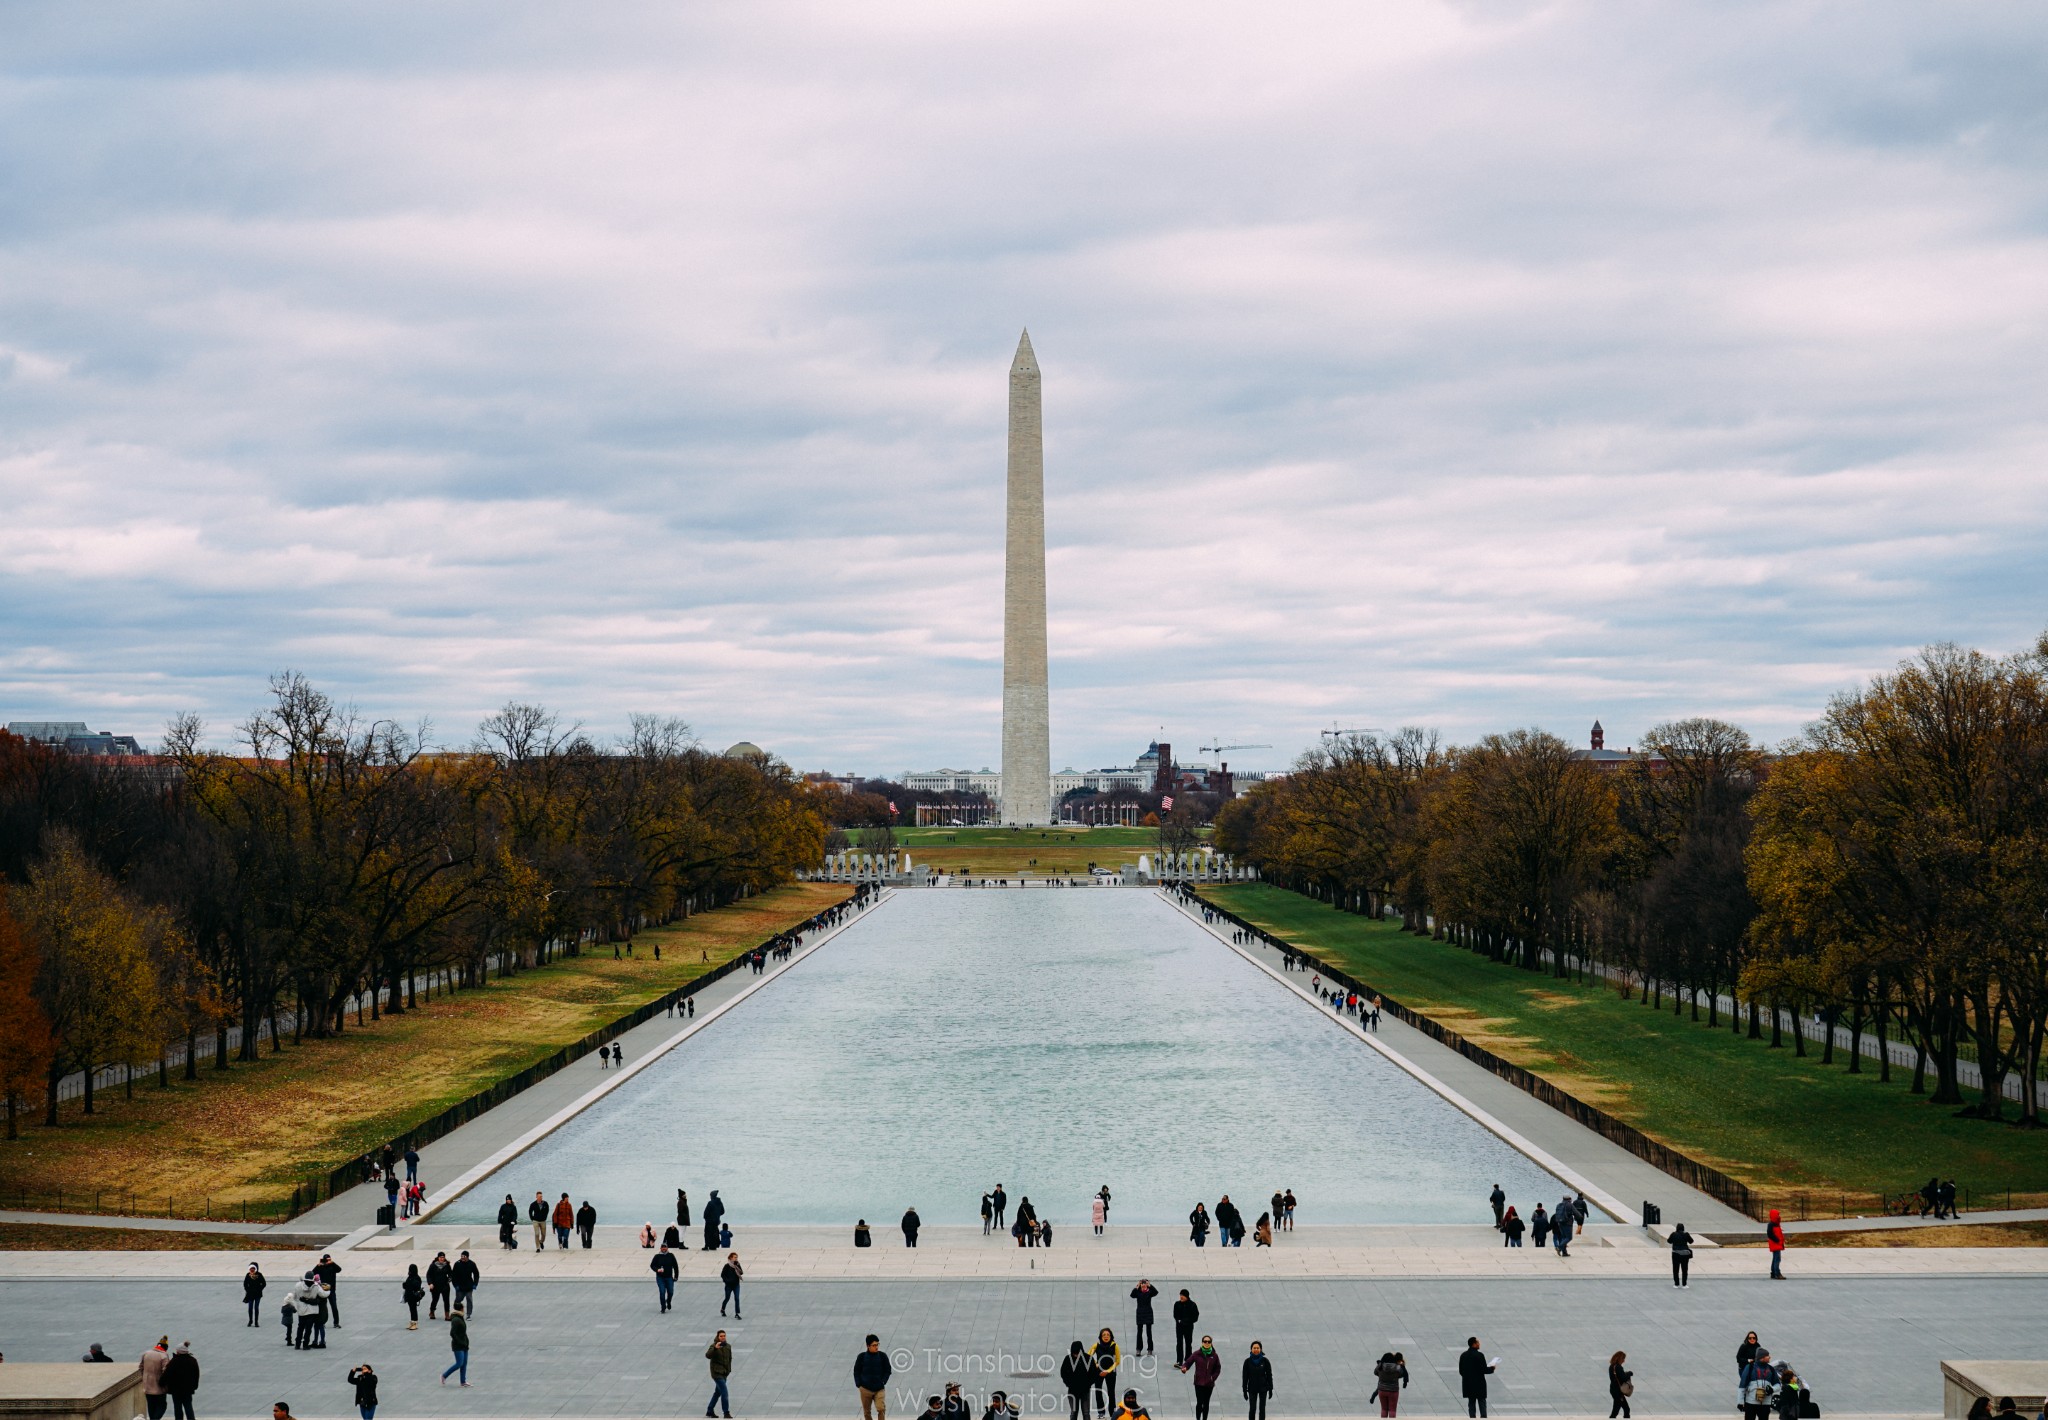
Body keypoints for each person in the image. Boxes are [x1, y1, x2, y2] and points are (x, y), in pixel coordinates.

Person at [1179, 1336, 1221, 1420]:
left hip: (1209, 1383)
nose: (1207, 1343)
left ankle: (1204, 1418)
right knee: (1199, 1402)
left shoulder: (1214, 1356)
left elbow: (1218, 1368)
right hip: (1199, 1383)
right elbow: (1188, 1363)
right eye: (1205, 1341)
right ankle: (1198, 1418)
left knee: (1206, 1403)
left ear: (1211, 1343)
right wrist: (1184, 1368)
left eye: (1209, 1342)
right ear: (1202, 1342)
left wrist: (1213, 1378)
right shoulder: (1197, 1354)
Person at [856, 1334, 893, 1420]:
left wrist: (883, 1381)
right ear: (868, 1346)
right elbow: (856, 1371)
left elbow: (888, 1370)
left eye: (877, 1344)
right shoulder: (861, 1357)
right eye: (874, 1345)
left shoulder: (882, 1356)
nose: (876, 1347)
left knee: (881, 1408)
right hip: (865, 1389)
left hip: (879, 1388)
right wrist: (859, 1384)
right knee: (867, 1411)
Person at [1061, 1341, 1100, 1420]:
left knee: (1086, 1413)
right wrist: (1069, 1384)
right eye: (1074, 1353)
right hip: (1072, 1390)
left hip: (1085, 1391)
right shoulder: (1068, 1359)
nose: (1076, 1355)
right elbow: (1063, 1373)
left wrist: (1088, 1384)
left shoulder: (1088, 1358)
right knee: (1074, 1412)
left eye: (1077, 1353)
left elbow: (1094, 1373)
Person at [1458, 1338, 1494, 1419]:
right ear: (1474, 1344)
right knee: (1482, 1402)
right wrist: (1492, 1368)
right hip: (1479, 1383)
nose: (1479, 1344)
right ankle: (1483, 1417)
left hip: (1468, 1384)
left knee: (1471, 1402)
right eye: (1478, 1342)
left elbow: (1461, 1371)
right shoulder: (1479, 1355)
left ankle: (1472, 1417)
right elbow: (1484, 1370)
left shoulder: (1463, 1355)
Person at [163, 1343, 199, 1420]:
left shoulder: (174, 1361)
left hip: (175, 1390)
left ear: (178, 1351)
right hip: (188, 1389)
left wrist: (161, 1383)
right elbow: (196, 1375)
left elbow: (167, 1374)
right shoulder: (193, 1360)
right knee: (188, 1406)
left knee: (177, 1407)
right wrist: (195, 1386)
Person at [1093, 1329, 1123, 1418]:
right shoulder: (1096, 1345)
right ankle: (1101, 1412)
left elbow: (1117, 1361)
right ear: (1101, 1337)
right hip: (1098, 1372)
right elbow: (1088, 1356)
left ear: (1111, 1336)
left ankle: (1112, 1413)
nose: (1106, 1336)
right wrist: (1095, 1363)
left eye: (1108, 1335)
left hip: (1111, 1372)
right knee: (1098, 1391)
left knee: (1111, 1392)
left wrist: (1108, 1371)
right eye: (1104, 1335)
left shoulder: (1115, 1346)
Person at [704, 1330, 733, 1418]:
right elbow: (708, 1355)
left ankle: (710, 1410)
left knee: (718, 1392)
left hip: (724, 1373)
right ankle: (726, 1412)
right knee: (724, 1392)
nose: (723, 1337)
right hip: (716, 1373)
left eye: (724, 1336)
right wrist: (716, 1348)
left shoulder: (728, 1346)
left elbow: (729, 1359)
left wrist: (728, 1370)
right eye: (721, 1336)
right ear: (717, 1337)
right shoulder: (713, 1346)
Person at [1242, 1341, 1274, 1420]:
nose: (1256, 1349)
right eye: (1254, 1348)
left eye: (1258, 1348)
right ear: (1251, 1349)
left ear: (1261, 1349)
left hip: (1263, 1388)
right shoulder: (1247, 1362)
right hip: (1252, 1388)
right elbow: (1245, 1377)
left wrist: (1270, 1389)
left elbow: (1269, 1375)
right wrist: (1244, 1391)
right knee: (1252, 1409)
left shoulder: (1265, 1361)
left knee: (1262, 1409)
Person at [1374, 1352, 1409, 1418]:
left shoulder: (1380, 1366)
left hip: (1382, 1390)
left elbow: (1375, 1372)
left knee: (1384, 1409)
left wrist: (1381, 1375)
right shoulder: (1397, 1367)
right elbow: (1402, 1374)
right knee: (1392, 1410)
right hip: (1393, 1390)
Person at [440, 1309, 469, 1387]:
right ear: (461, 1309)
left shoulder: (460, 1317)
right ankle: (444, 1375)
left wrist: (466, 1342)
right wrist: (459, 1341)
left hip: (464, 1344)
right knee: (459, 1363)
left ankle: (463, 1381)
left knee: (464, 1363)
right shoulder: (456, 1320)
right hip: (458, 1345)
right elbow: (452, 1333)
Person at [1129, 1280, 1159, 1355]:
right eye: (1142, 1284)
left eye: (1145, 1284)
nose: (1143, 1286)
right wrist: (1136, 1287)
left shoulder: (1149, 1292)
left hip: (1148, 1313)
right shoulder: (1138, 1292)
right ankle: (1138, 1349)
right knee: (1139, 1332)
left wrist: (1150, 1285)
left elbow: (1156, 1292)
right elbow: (1132, 1295)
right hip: (1140, 1313)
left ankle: (1150, 1349)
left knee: (1149, 1332)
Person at [314, 1255, 344, 1326]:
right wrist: (317, 1265)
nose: (327, 1261)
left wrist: (333, 1263)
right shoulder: (320, 1267)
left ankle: (336, 1322)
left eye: (328, 1260)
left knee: (334, 1307)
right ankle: (322, 1322)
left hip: (331, 1290)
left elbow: (339, 1269)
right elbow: (313, 1273)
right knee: (322, 1307)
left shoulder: (332, 1266)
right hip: (322, 1290)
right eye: (326, 1260)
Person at [1172, 1289, 1199, 1366]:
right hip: (1179, 1327)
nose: (1181, 1297)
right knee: (1179, 1343)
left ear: (1187, 1296)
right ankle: (1179, 1361)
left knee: (1188, 1343)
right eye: (1180, 1295)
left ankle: (1188, 1360)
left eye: (1183, 1296)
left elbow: (1195, 1317)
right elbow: (1175, 1315)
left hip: (1188, 1327)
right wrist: (1179, 1320)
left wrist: (1184, 1321)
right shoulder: (1177, 1304)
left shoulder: (1192, 1305)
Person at [426, 1252, 453, 1320]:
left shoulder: (447, 1265)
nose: (442, 1259)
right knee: (435, 1299)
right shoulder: (433, 1265)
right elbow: (428, 1275)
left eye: (443, 1257)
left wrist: (450, 1278)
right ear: (438, 1258)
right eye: (440, 1257)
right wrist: (430, 1283)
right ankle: (432, 1312)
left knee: (446, 1300)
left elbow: (450, 1273)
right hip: (435, 1285)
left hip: (445, 1285)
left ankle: (447, 1315)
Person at [451, 1251, 479, 1316]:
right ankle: (457, 1311)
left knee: (469, 1299)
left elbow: (476, 1274)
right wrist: (455, 1285)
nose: (462, 1258)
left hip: (469, 1286)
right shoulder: (457, 1264)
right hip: (460, 1286)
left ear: (467, 1257)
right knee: (458, 1299)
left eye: (464, 1257)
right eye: (461, 1257)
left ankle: (468, 1314)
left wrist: (475, 1284)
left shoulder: (471, 1264)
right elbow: (453, 1276)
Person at [1608, 1351, 1632, 1419]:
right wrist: (1629, 1373)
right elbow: (1623, 1378)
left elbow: (1617, 1377)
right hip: (1618, 1391)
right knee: (1625, 1409)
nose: (1624, 1361)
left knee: (1617, 1408)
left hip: (1614, 1390)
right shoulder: (1618, 1367)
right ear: (1619, 1358)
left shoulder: (1611, 1366)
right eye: (1623, 1359)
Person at [402, 1264, 426, 1330]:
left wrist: (409, 1284)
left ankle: (414, 1322)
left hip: (413, 1296)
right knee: (411, 1309)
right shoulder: (410, 1277)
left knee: (413, 1309)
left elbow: (417, 1286)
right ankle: (412, 1322)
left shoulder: (416, 1277)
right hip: (409, 1296)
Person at [720, 1252, 744, 1319]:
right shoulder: (727, 1266)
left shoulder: (737, 1264)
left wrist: (737, 1266)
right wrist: (727, 1281)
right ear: (731, 1258)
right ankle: (723, 1309)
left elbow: (741, 1273)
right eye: (735, 1257)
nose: (736, 1258)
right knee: (727, 1298)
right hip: (729, 1285)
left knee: (737, 1298)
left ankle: (737, 1313)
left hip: (736, 1285)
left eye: (737, 1257)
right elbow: (722, 1275)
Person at [1766, 1209, 1786, 1279]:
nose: (1779, 1216)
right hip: (1775, 1243)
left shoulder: (1776, 1224)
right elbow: (1770, 1234)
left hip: (1777, 1243)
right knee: (1777, 1259)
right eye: (1778, 1215)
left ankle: (1773, 1273)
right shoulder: (1772, 1224)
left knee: (1775, 1258)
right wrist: (1777, 1240)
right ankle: (1777, 1273)